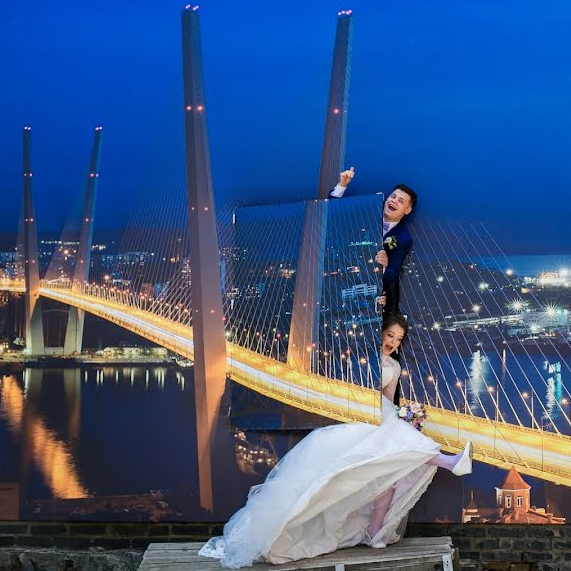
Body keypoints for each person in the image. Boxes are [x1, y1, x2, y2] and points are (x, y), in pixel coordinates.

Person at [199, 313, 472, 568]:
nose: (393, 342)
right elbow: (349, 391)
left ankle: (376, 532)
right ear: (379, 332)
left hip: (380, 417)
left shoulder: (394, 366)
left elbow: (387, 400)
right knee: (384, 457)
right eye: (390, 335)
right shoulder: (363, 358)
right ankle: (449, 462)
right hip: (357, 420)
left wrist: (401, 416)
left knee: (389, 471)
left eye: (398, 339)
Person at [330, 167, 416, 317]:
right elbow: (333, 213)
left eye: (400, 201)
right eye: (393, 196)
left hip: (368, 290)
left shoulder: (404, 239)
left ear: (407, 210)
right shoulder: (368, 211)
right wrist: (342, 185)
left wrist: (386, 264)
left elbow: (394, 270)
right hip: (340, 278)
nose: (394, 201)